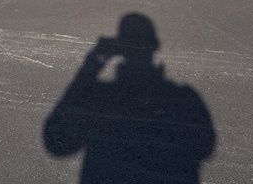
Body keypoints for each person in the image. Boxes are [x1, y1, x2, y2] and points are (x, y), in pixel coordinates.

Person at [43, 14, 216, 183]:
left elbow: (57, 143)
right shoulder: (182, 97)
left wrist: (91, 65)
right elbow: (205, 146)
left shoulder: (102, 96)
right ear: (154, 45)